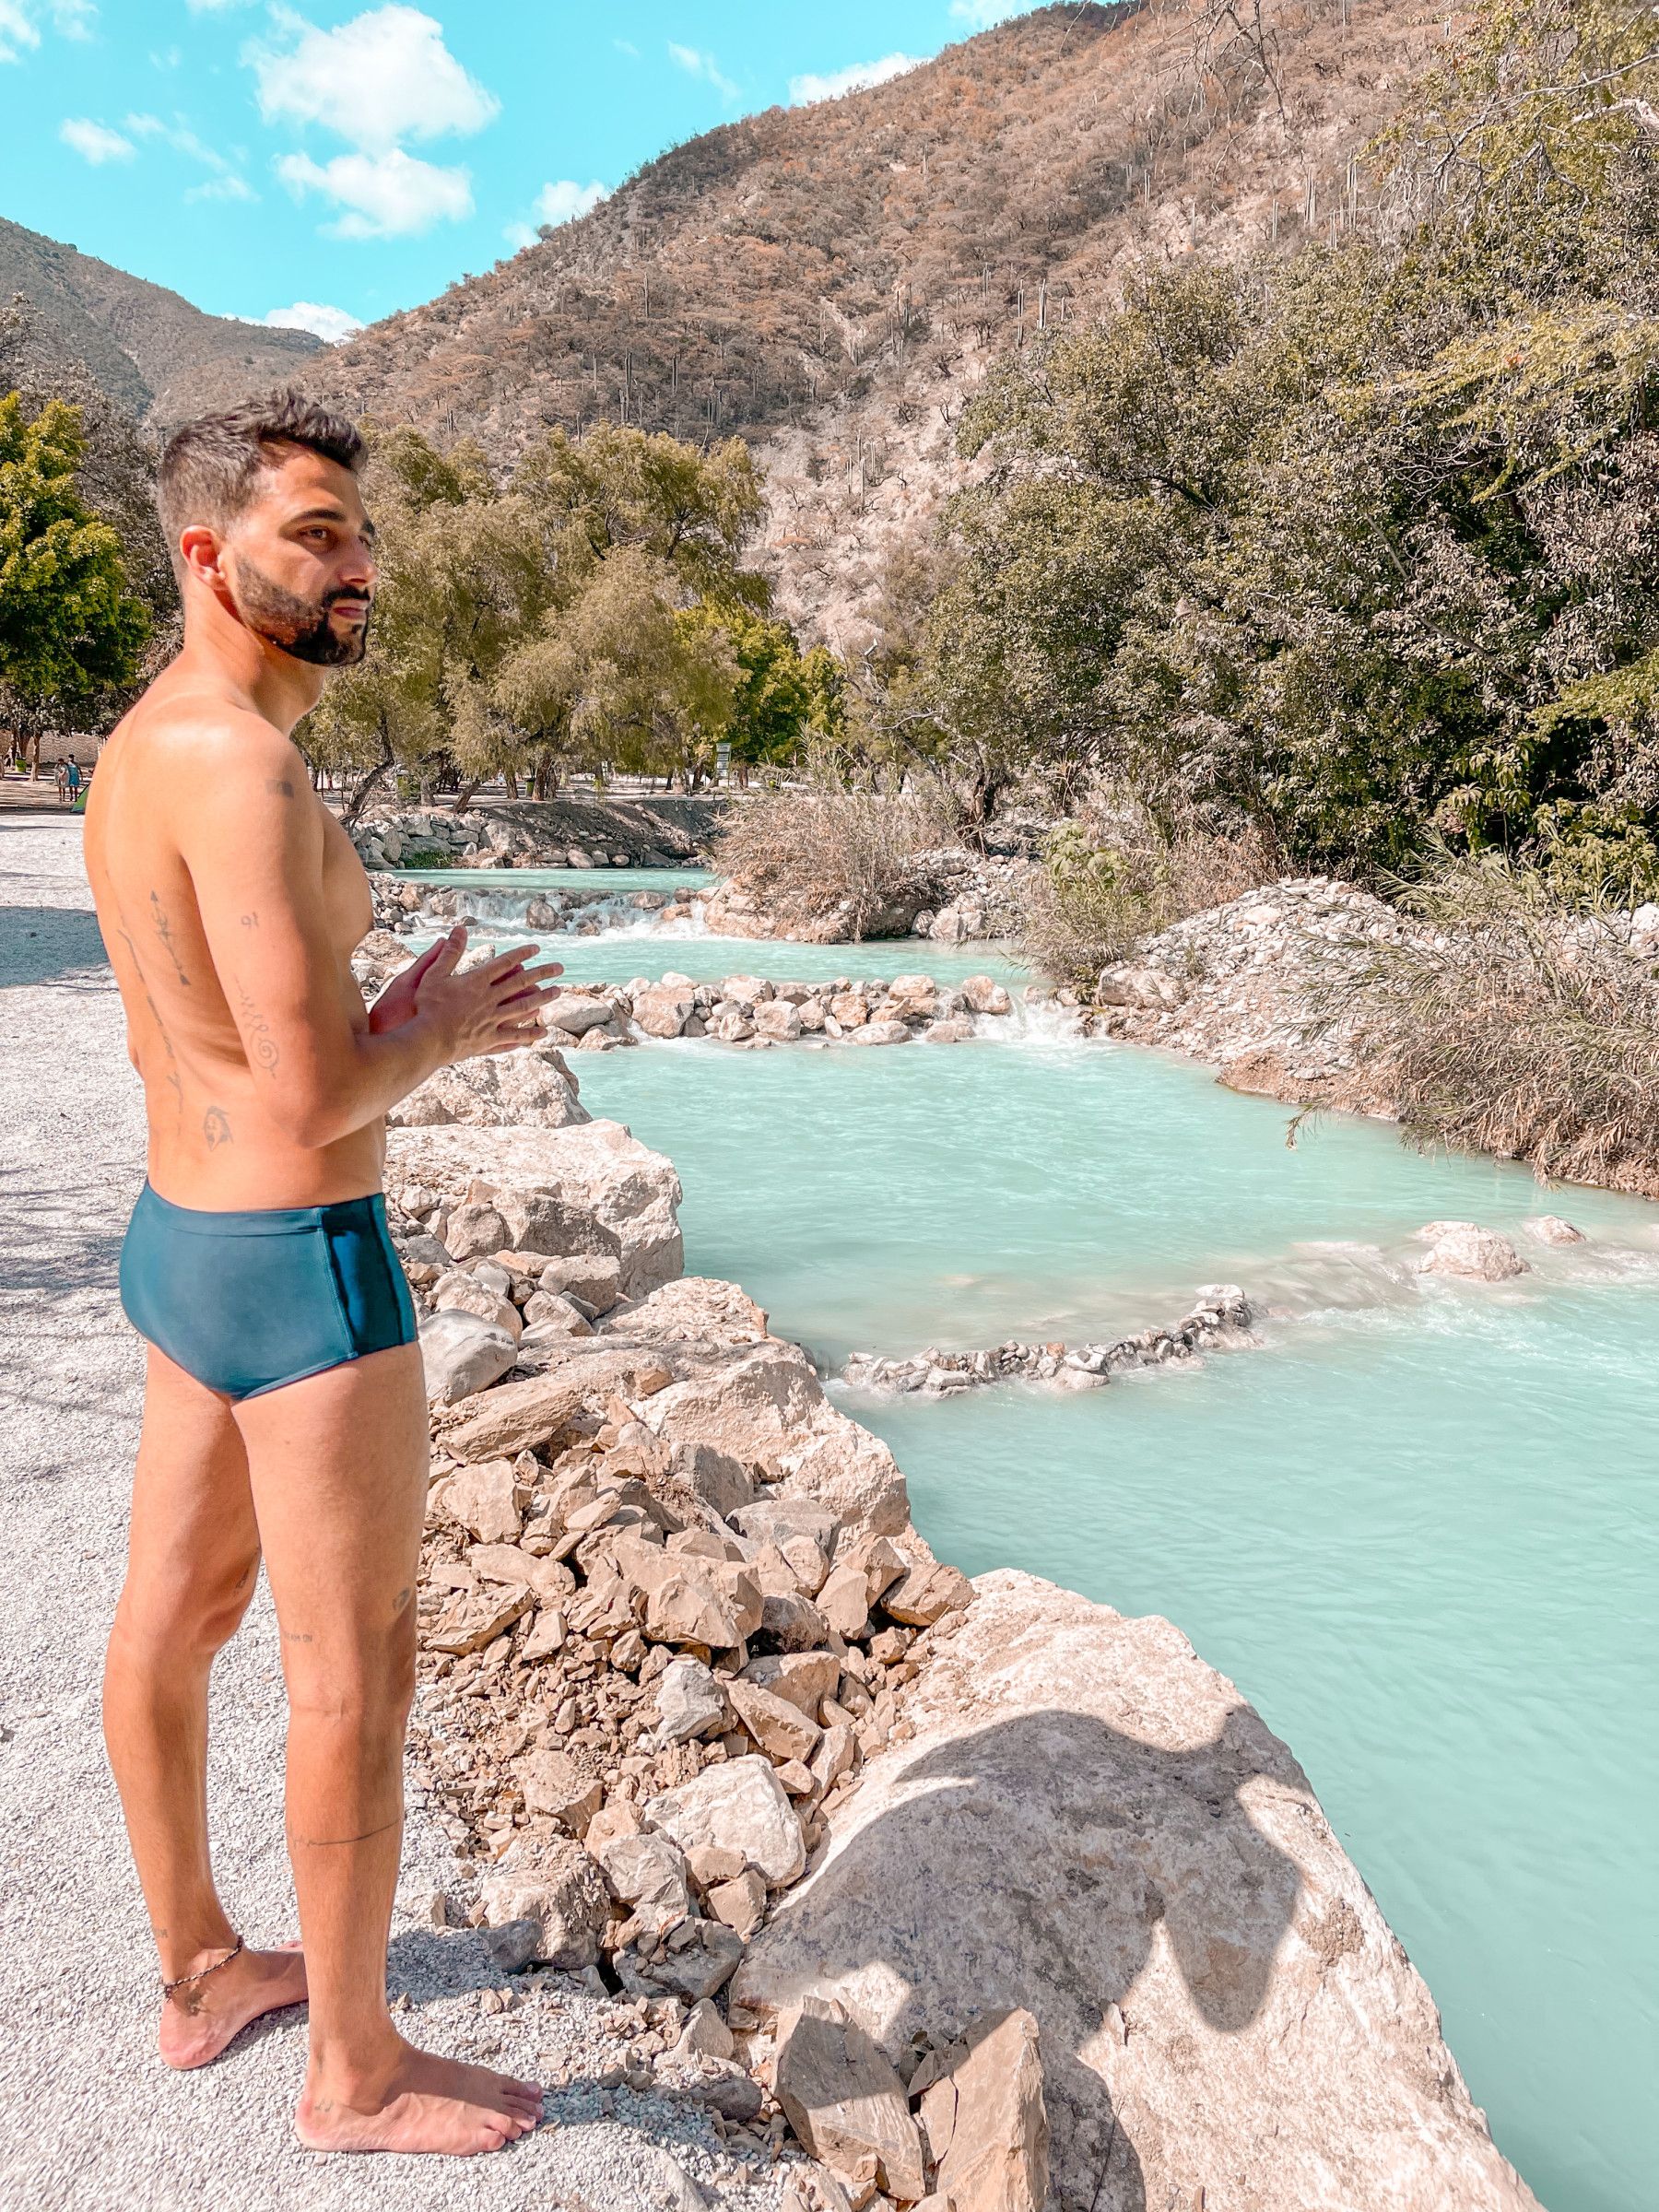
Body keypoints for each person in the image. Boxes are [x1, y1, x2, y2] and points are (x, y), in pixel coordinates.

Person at [83, 389, 560, 2157]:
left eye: (361, 533)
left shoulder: (143, 747)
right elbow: (314, 1094)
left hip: (178, 1245)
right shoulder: (247, 763)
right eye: (317, 535)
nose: (361, 567)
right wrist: (440, 1031)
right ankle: (354, 2073)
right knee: (349, 1669)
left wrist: (377, 1028)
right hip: (300, 1268)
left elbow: (216, 1035)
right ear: (208, 554)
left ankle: (201, 1964)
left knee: (173, 1619)